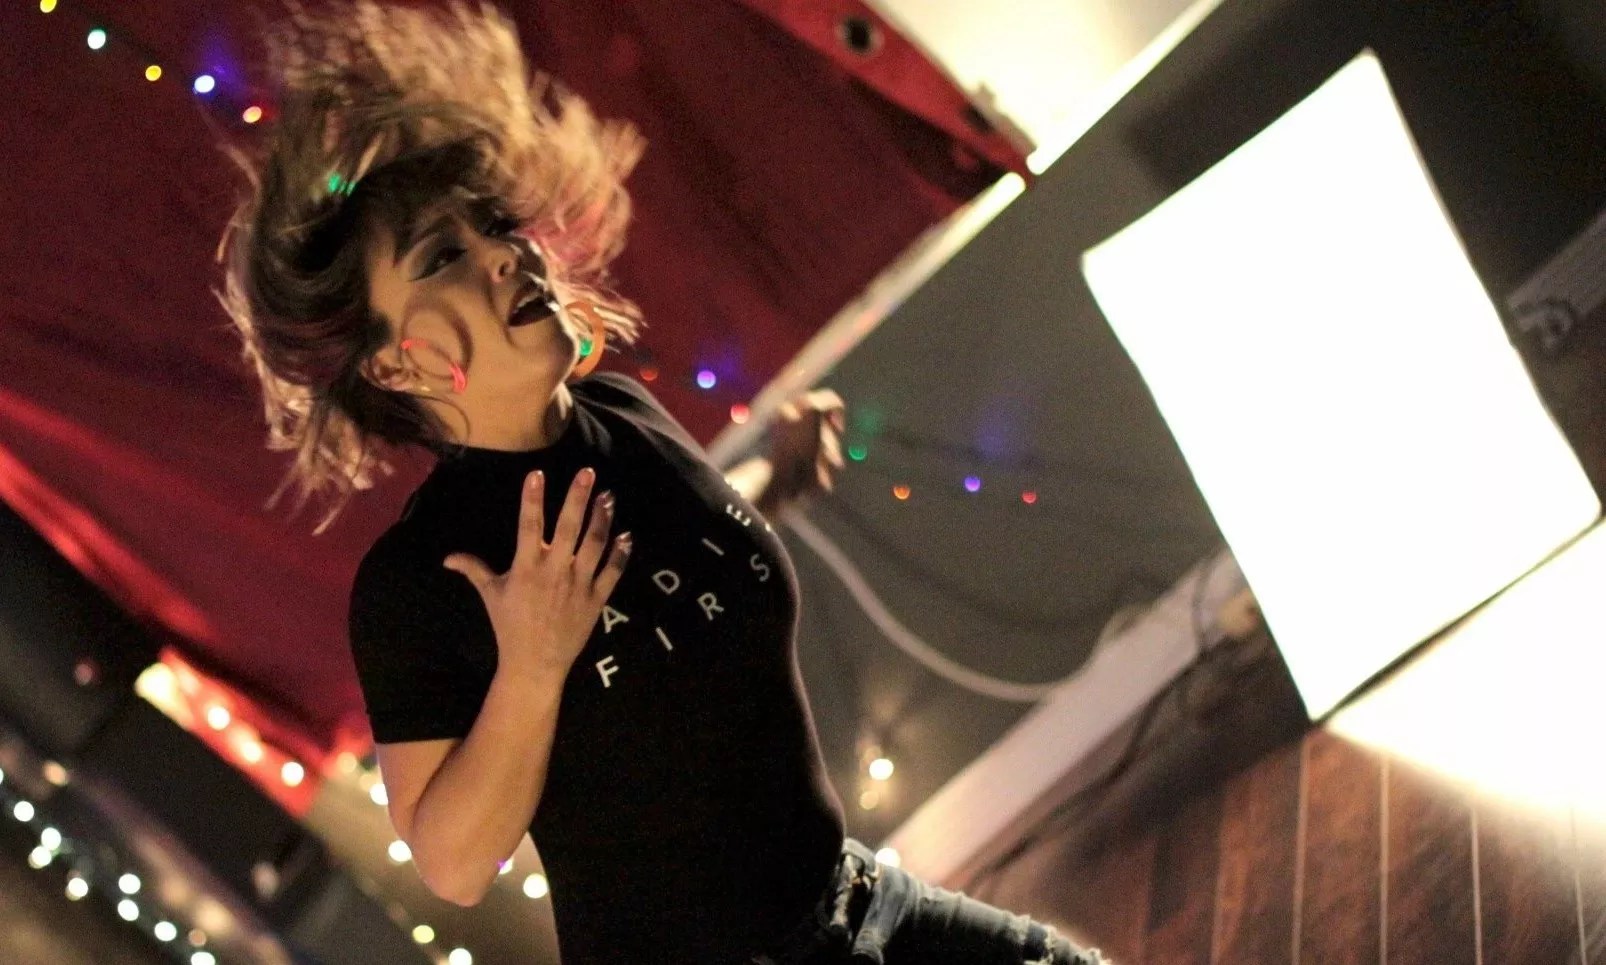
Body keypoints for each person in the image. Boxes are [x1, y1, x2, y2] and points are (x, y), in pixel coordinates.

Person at [217, 3, 1104, 963]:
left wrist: (773, 482)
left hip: (858, 906)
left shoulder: (625, 412)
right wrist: (532, 665)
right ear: (395, 363)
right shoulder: (421, 578)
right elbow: (454, 862)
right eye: (443, 257)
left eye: (493, 225)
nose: (507, 252)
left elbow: (671, 542)